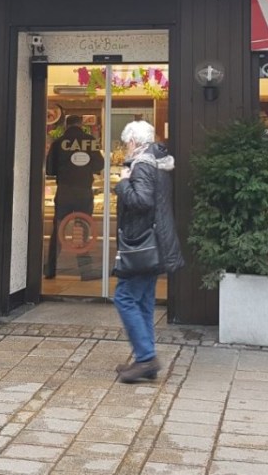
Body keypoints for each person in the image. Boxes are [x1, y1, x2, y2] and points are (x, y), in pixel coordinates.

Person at [112, 119, 183, 384]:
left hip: (141, 244)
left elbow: (141, 201)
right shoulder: (159, 163)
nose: (125, 148)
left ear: (133, 142)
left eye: (126, 143)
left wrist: (122, 183)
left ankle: (145, 358)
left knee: (124, 298)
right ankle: (147, 359)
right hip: (155, 243)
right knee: (142, 300)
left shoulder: (142, 165)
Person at [44, 115, 103, 279]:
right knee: (83, 228)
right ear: (81, 124)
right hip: (83, 191)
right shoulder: (89, 140)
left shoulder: (58, 142)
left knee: (58, 230)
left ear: (65, 125)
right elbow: (99, 165)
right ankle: (85, 271)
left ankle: (50, 269)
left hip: (64, 191)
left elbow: (49, 169)